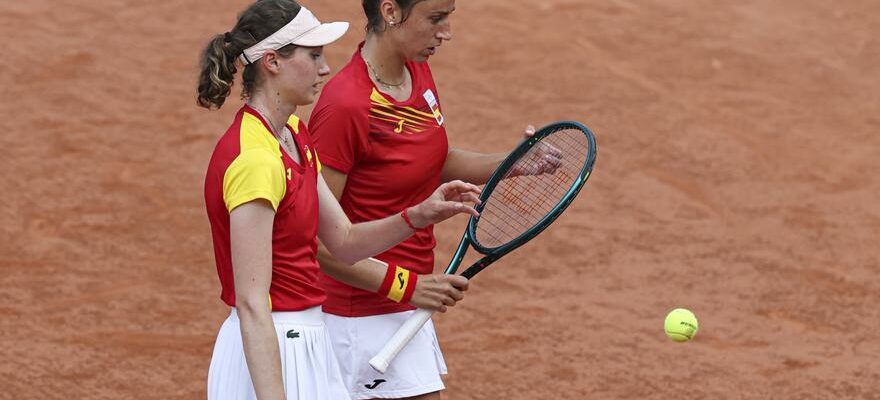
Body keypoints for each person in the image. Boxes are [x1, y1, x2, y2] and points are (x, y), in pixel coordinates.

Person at [197, 1, 482, 399]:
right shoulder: (255, 161)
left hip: (309, 339)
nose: (326, 68)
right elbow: (252, 305)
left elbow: (343, 240)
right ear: (272, 62)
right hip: (272, 347)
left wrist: (418, 215)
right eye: (313, 56)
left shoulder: (293, 133)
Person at [308, 1, 539, 398]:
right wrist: (406, 286)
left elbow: (433, 159)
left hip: (404, 303)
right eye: (435, 18)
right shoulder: (346, 106)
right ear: (391, 11)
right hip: (359, 316)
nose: (446, 32)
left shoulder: (414, 71)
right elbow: (317, 240)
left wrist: (513, 163)